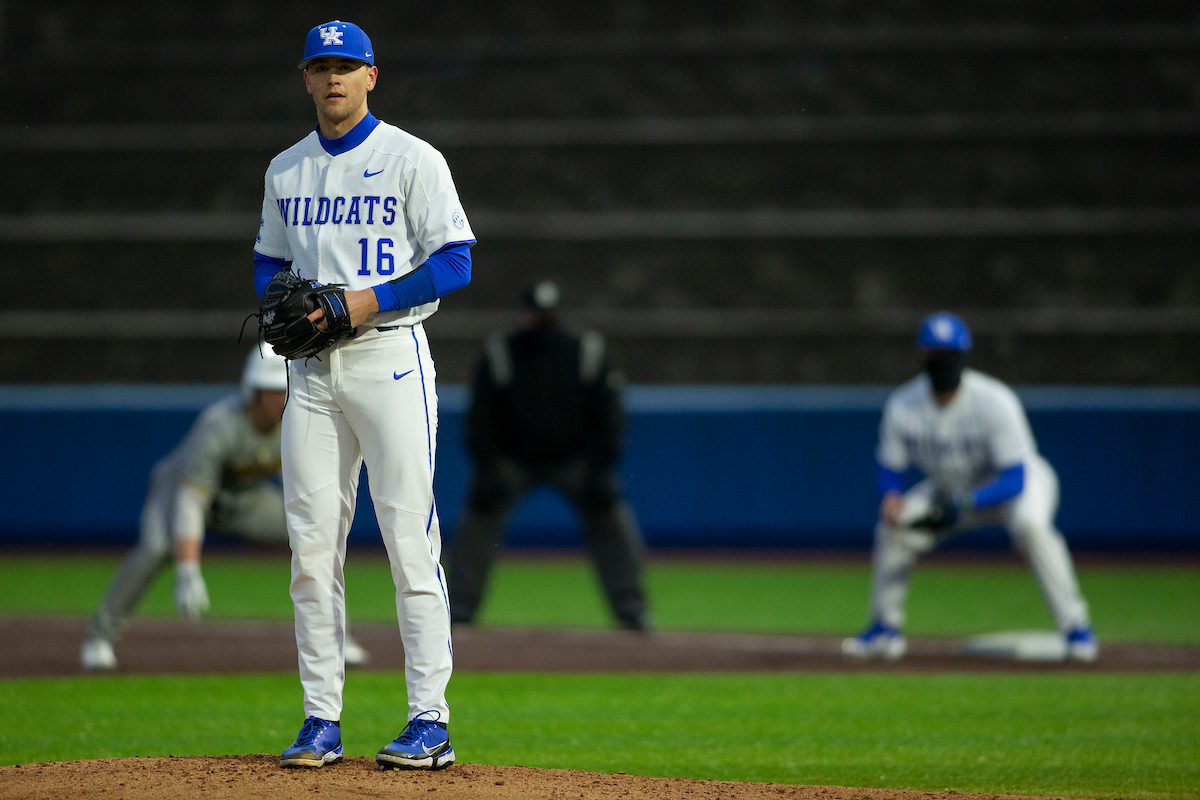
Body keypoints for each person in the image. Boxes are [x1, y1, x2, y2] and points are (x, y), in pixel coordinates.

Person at [252, 20, 474, 771]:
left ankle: (430, 721)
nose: (335, 77)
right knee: (311, 551)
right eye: (322, 66)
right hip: (312, 375)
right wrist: (286, 306)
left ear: (372, 75)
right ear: (306, 79)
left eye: (348, 65)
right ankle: (321, 719)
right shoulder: (286, 169)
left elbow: (456, 263)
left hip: (391, 361)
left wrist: (363, 302)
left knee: (411, 543)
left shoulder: (413, 159)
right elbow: (267, 264)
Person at [79, 345, 371, 671]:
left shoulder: (295, 421)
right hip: (179, 494)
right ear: (253, 392)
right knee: (155, 548)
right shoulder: (220, 426)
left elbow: (302, 487)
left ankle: (335, 638)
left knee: (314, 536)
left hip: (242, 499)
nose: (281, 398)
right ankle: (99, 638)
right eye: (273, 391)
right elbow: (192, 501)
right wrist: (188, 569)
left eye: (285, 389)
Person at [843, 312, 1098, 662]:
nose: (942, 363)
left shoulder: (994, 400)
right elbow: (890, 468)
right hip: (949, 489)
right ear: (923, 357)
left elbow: (1015, 478)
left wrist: (965, 502)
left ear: (963, 358)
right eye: (935, 355)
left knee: (1031, 526)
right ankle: (885, 629)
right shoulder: (904, 404)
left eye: (949, 356)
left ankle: (1076, 628)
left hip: (1015, 487)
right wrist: (890, 497)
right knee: (894, 528)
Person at [446, 280, 651, 631]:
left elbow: (608, 417)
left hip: (573, 459)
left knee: (611, 518)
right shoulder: (501, 352)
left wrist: (601, 470)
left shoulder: (586, 350)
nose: (539, 323)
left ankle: (632, 608)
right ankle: (458, 610)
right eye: (534, 315)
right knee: (477, 520)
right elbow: (481, 418)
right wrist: (486, 469)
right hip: (513, 459)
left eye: (546, 317)